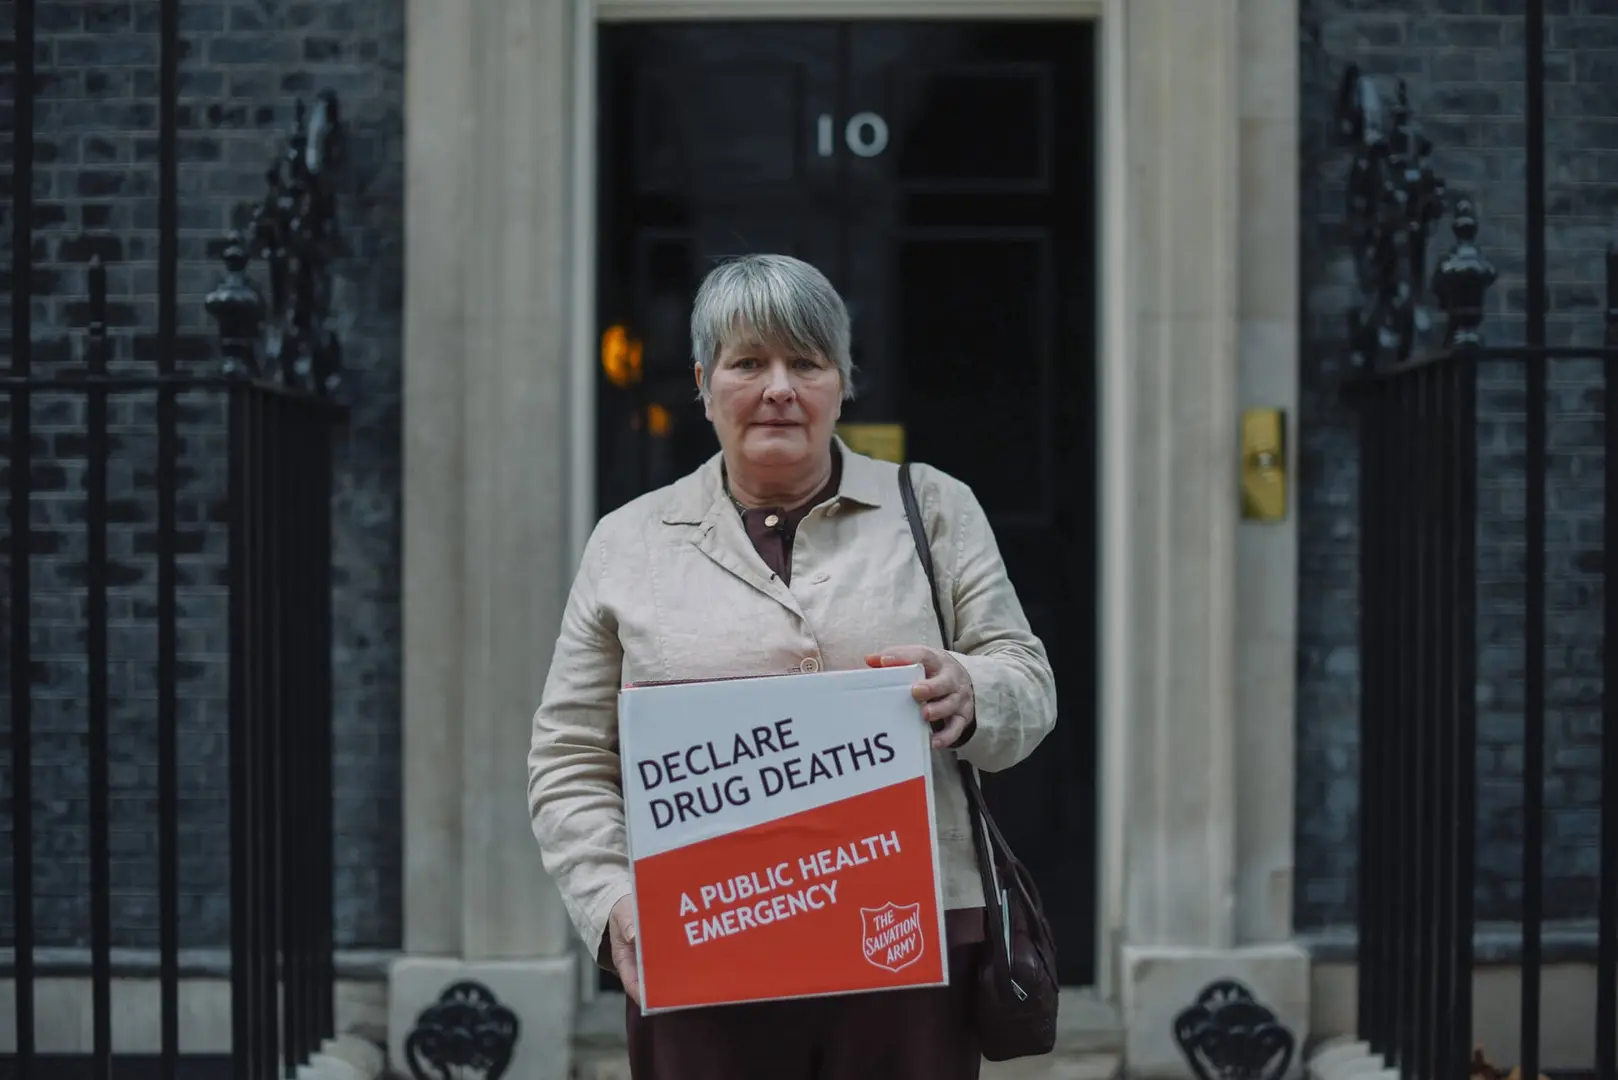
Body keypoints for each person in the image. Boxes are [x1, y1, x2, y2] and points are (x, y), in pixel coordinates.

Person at [527, 253, 1057, 1079]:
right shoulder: (627, 543)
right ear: (704, 383)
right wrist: (612, 903)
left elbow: (1026, 676)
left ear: (842, 381)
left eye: (806, 362)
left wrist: (971, 688)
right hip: (705, 943)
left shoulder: (936, 508)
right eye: (748, 363)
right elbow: (569, 756)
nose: (779, 387)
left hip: (907, 944)